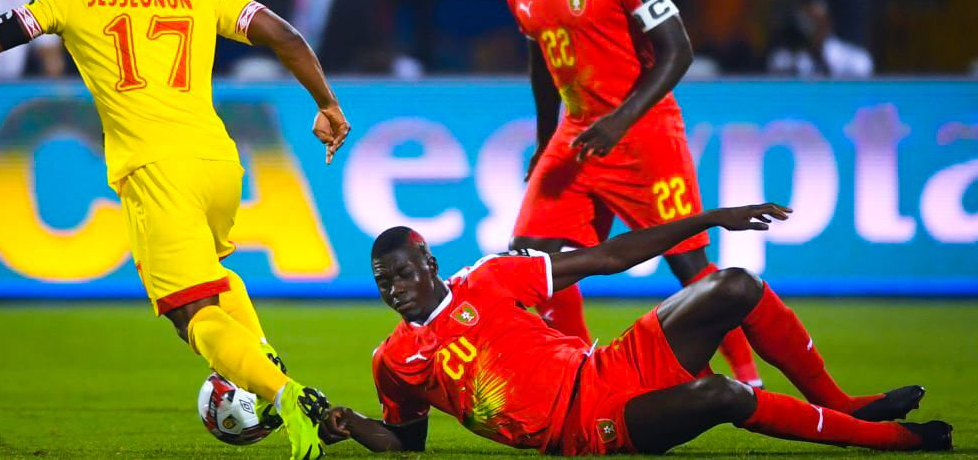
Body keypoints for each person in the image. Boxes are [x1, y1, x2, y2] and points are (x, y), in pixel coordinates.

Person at [0, 0, 350, 460]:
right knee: (215, 280)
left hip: (154, 172)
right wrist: (327, 104)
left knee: (191, 314)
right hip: (219, 165)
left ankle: (287, 396)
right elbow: (283, 35)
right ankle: (261, 360)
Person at [318, 207, 951, 455]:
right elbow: (406, 445)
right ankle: (895, 440)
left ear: (428, 264)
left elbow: (610, 257)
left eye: (402, 273)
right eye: (383, 280)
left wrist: (712, 218)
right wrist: (353, 428)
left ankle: (840, 404)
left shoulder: (490, 278)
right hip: (584, 427)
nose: (394, 288)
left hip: (608, 364)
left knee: (734, 284)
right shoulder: (393, 361)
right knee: (725, 395)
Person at [504, 0, 762, 386]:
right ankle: (575, 371)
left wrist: (620, 122)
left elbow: (679, 51)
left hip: (644, 132)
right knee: (532, 257)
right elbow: (542, 68)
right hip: (577, 135)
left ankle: (746, 376)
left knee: (688, 264)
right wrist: (543, 137)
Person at [767, 0, 873, 78]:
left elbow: (863, 69)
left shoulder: (853, 58)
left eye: (817, 21)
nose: (812, 28)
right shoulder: (785, 59)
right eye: (806, 23)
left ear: (828, 22)